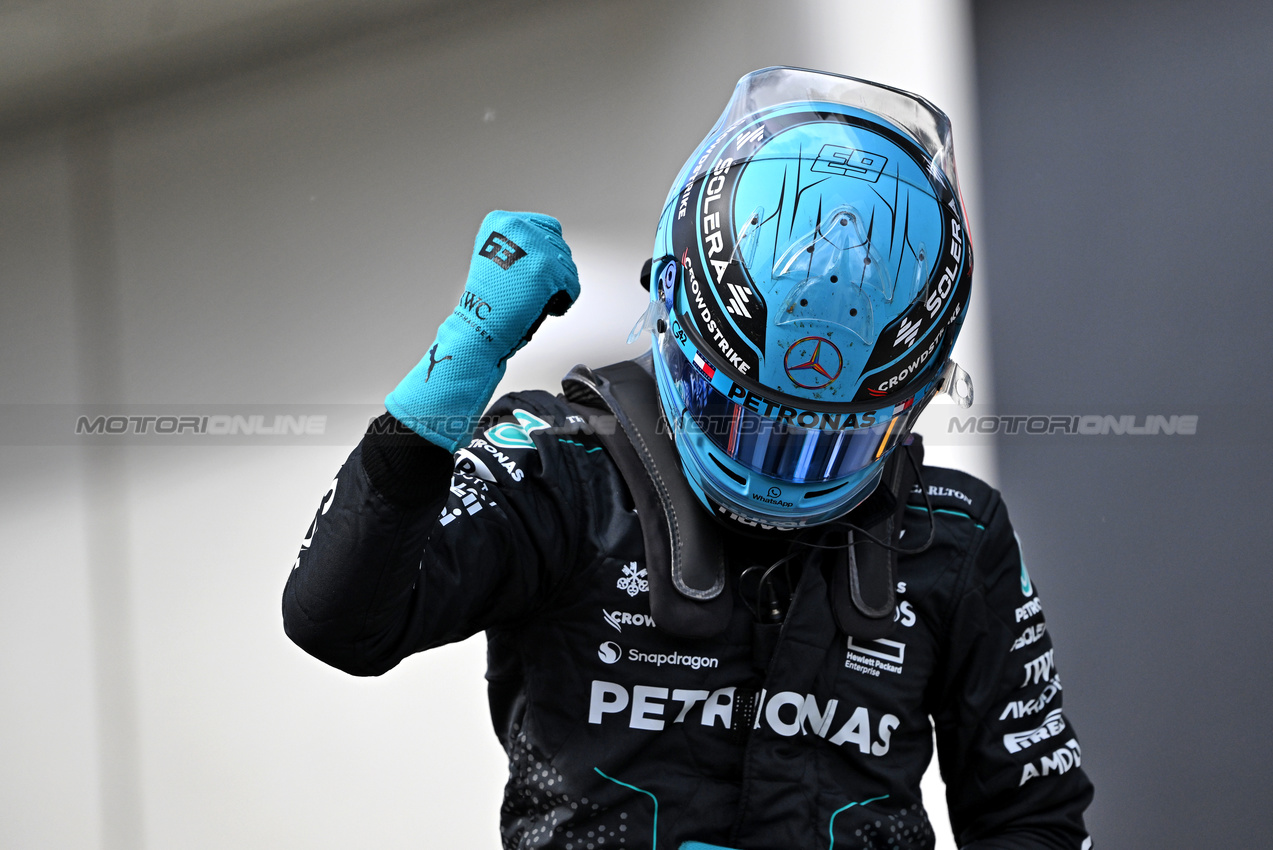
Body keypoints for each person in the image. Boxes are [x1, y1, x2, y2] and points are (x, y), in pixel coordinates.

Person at [283, 67, 1094, 850]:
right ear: (673, 321)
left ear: (913, 397)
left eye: (829, 436)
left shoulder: (954, 532)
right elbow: (339, 622)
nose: (783, 466)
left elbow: (1036, 820)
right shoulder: (561, 467)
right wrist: (462, 356)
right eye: (749, 420)